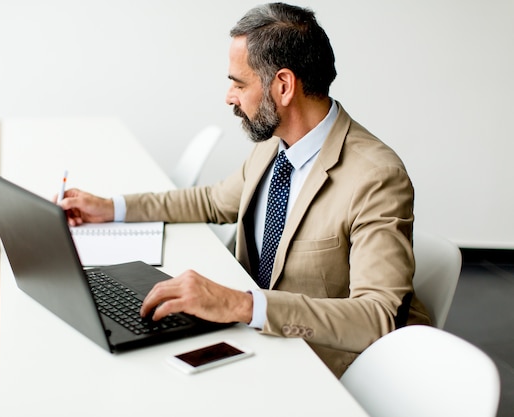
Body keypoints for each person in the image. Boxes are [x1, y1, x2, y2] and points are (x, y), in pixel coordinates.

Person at [58, 2, 431, 377]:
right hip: (257, 342)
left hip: (322, 367)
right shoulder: (276, 144)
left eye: (239, 83)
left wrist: (242, 305)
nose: (229, 97)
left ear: (283, 86)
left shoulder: (375, 176)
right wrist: (110, 207)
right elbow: (211, 201)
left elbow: (377, 317)